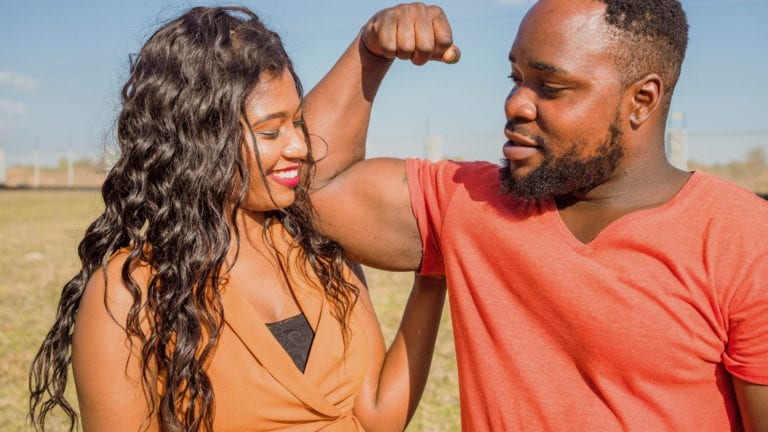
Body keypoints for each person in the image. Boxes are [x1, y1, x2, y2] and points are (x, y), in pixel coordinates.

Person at [304, 1, 768, 430]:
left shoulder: (744, 240)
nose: (515, 105)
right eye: (516, 79)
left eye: (551, 87)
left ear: (641, 100)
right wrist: (370, 50)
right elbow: (308, 186)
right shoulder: (472, 203)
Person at [28, 6, 449, 432]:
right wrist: (370, 49)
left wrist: (434, 274)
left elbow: (376, 416)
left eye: (298, 123)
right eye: (271, 132)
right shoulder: (131, 292)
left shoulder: (317, 246)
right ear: (200, 141)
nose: (300, 146)